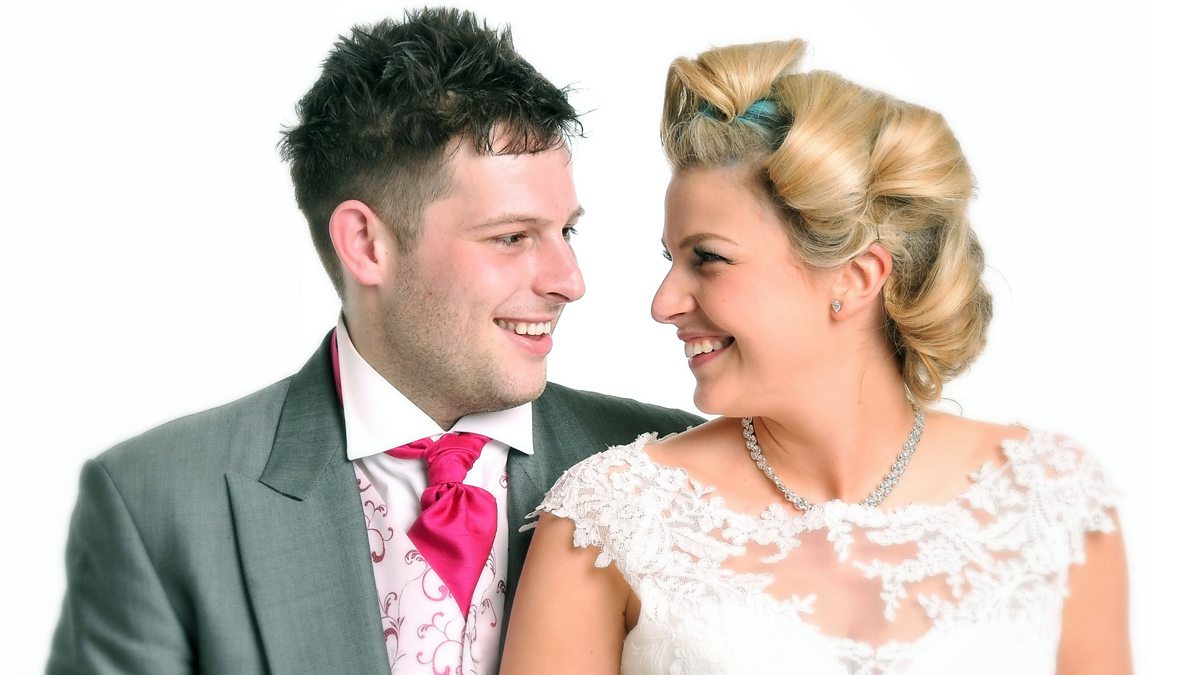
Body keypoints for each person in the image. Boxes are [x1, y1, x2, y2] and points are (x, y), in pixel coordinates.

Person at [45, 9, 700, 675]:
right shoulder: (155, 501)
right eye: (511, 237)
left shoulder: (681, 469)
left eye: (567, 231)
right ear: (365, 244)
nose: (569, 281)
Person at [501, 38, 1131, 674]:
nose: (664, 304)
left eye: (708, 258)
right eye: (673, 260)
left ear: (855, 278)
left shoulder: (1051, 499)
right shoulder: (607, 519)